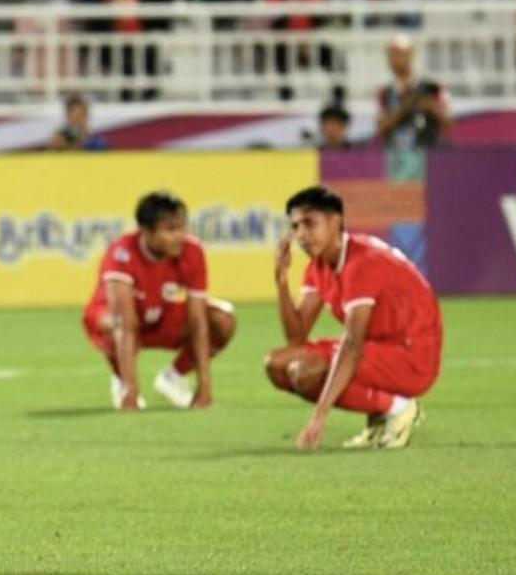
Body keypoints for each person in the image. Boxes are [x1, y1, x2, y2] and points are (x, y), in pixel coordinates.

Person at [265, 186, 442, 450]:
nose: (300, 235)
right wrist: (281, 281)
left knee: (304, 372)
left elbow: (352, 346)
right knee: (276, 364)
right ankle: (382, 416)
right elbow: (296, 336)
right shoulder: (319, 265)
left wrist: (319, 417)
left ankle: (400, 408)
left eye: (309, 224)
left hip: (413, 356)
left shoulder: (362, 262)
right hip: (380, 350)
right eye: (295, 226)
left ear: (335, 221)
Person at [81, 191, 236, 411]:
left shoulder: (191, 251)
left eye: (182, 227)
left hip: (157, 315)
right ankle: (122, 379)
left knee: (222, 319)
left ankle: (173, 377)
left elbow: (197, 319)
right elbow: (125, 324)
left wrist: (205, 388)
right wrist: (131, 392)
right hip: (114, 322)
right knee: (115, 324)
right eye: (171, 229)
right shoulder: (121, 254)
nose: (180, 236)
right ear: (146, 231)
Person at [377, 34, 453, 153]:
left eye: (400, 54)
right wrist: (403, 110)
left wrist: (430, 109)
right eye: (392, 54)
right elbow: (381, 128)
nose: (396, 59)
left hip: (428, 155)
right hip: (397, 158)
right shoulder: (385, 92)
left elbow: (448, 123)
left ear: (410, 55)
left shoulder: (432, 88)